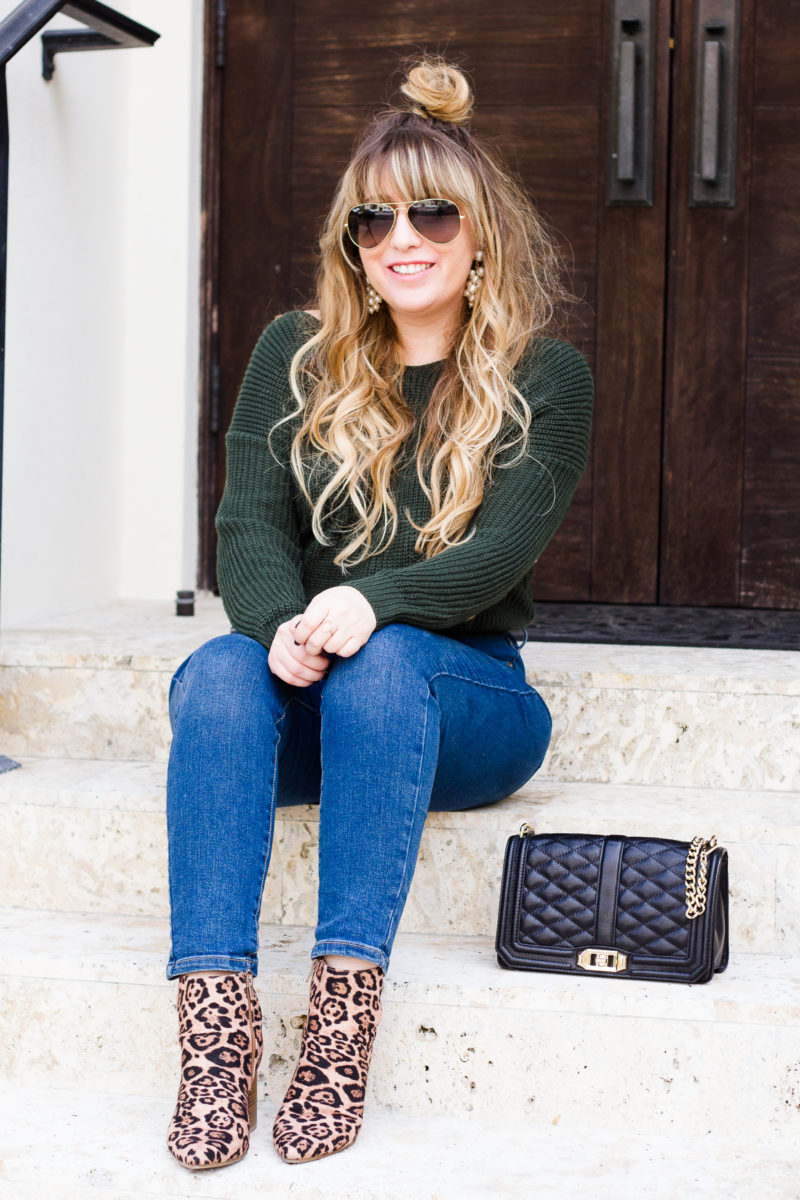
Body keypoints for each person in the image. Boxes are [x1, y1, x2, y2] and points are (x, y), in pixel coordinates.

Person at [165, 56, 593, 1171]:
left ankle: (337, 1040)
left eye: (432, 213)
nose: (403, 237)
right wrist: (279, 629)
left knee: (392, 658)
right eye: (374, 220)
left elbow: (498, 552)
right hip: (319, 691)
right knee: (215, 674)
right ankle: (214, 1038)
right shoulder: (290, 358)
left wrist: (368, 600)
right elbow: (247, 530)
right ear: (350, 245)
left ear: (479, 231)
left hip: (463, 704)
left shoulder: (545, 376)